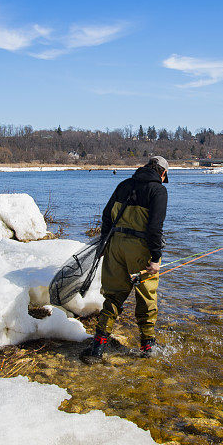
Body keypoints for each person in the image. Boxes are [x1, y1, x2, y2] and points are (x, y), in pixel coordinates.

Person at [80, 156, 169, 364]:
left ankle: (97, 348)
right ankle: (148, 345)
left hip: (115, 246)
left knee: (113, 296)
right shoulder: (158, 191)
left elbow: (106, 215)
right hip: (139, 249)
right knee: (146, 296)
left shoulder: (124, 184)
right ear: (162, 173)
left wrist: (103, 244)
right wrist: (155, 258)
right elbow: (155, 228)